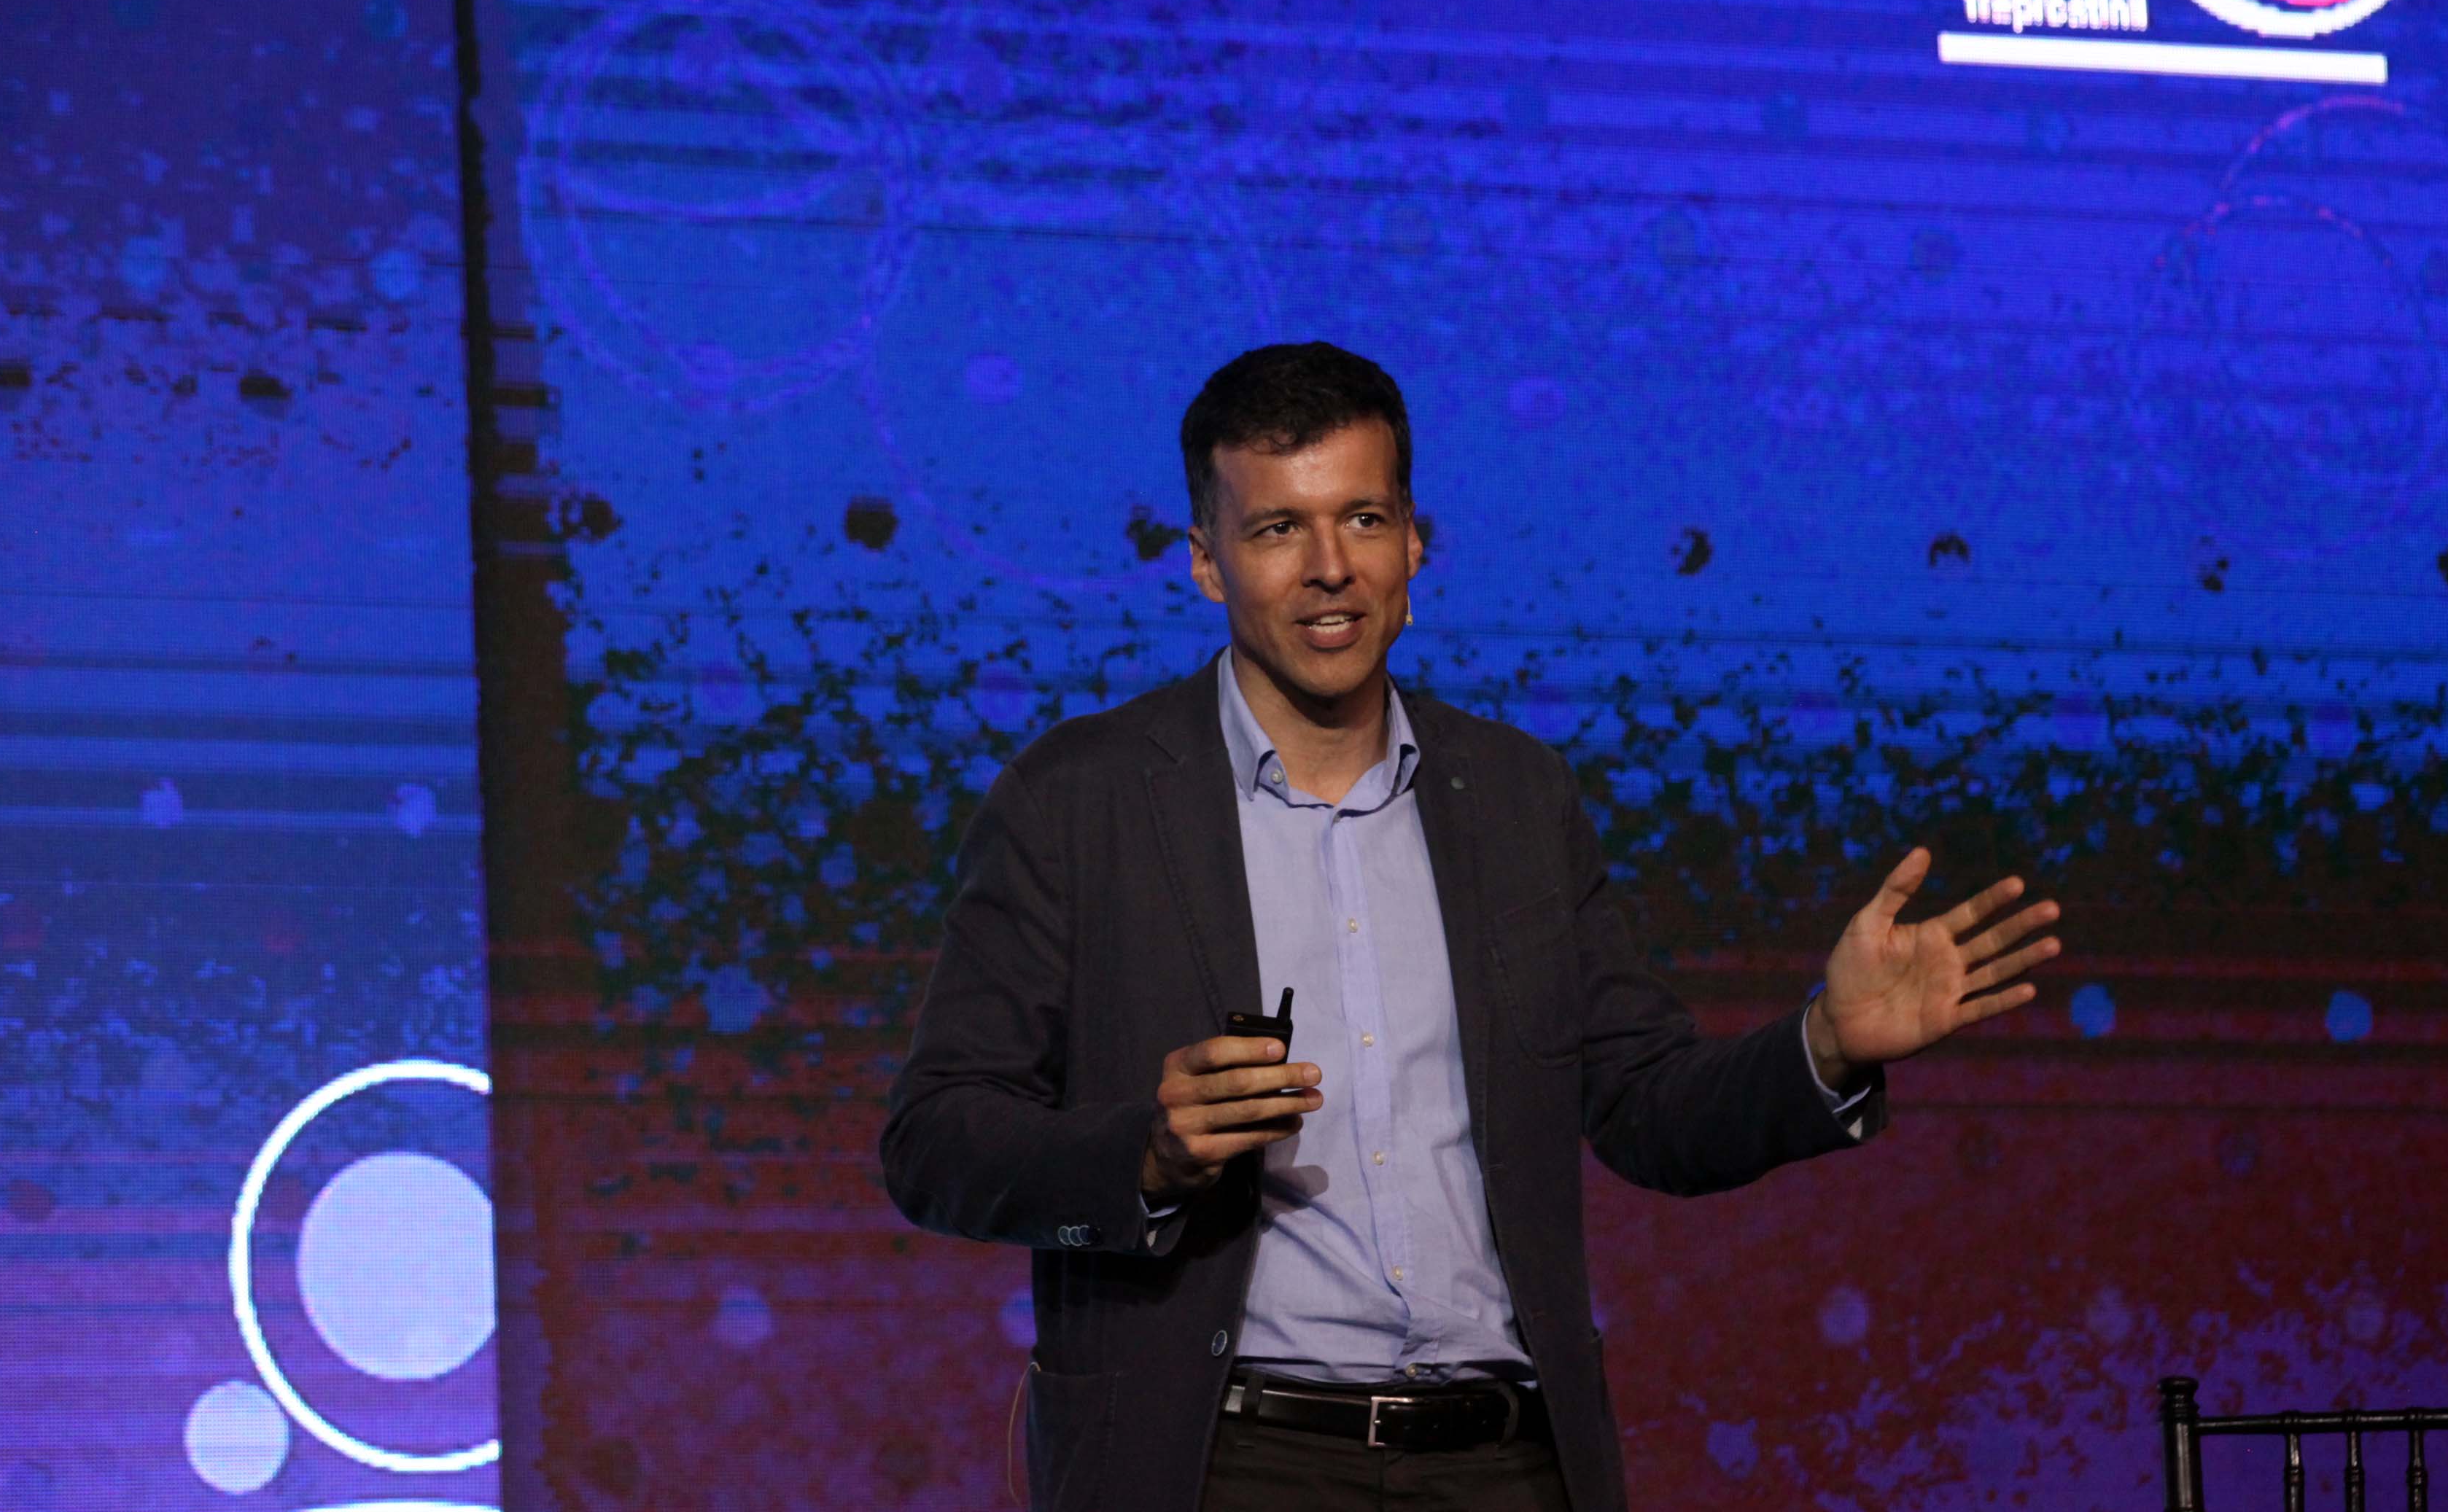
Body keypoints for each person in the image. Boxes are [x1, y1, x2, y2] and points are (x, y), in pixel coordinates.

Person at [882, 343, 2062, 1512]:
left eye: (1363, 519)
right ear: (1205, 562)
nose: (1330, 569)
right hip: (1226, 1461)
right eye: (1278, 529)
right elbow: (936, 1143)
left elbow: (1646, 1106)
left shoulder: (1516, 797)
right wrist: (1145, 1156)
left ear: (1415, 543)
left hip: (1504, 1462)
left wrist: (1828, 1046)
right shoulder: (1079, 799)